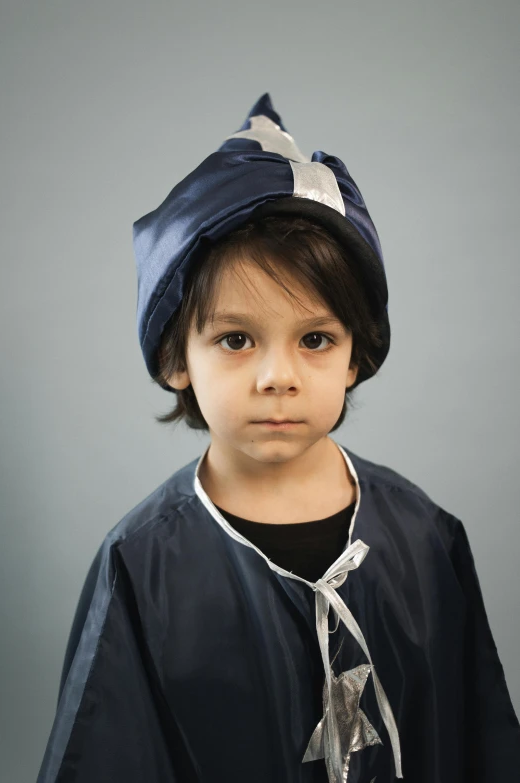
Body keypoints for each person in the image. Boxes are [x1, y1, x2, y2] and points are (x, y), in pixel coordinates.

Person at [36, 94, 520, 783]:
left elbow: (481, 744)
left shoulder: (426, 538)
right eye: (236, 339)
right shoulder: (143, 566)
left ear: (357, 355)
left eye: (315, 339)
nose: (277, 376)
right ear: (178, 360)